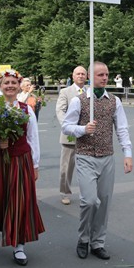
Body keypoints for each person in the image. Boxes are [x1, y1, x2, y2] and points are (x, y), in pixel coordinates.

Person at [63, 62, 133, 260]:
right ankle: (83, 238)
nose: (104, 78)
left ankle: (98, 241)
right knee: (90, 200)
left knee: (104, 202)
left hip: (107, 157)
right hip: (85, 156)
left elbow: (122, 129)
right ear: (90, 77)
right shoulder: (79, 101)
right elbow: (66, 126)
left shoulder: (114, 101)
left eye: (106, 74)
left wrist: (127, 154)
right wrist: (83, 129)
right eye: (100, 74)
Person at [0, 69, 43, 266]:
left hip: (20, 160)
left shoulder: (26, 109)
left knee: (19, 201)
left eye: (13, 83)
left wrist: (35, 164)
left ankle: (19, 245)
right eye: (6, 83)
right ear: (1, 86)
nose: (10, 86)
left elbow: (33, 139)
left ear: (18, 85)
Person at [56, 66, 87, 205]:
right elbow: (60, 111)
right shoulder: (65, 92)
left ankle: (87, 193)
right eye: (78, 74)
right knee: (66, 167)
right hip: (70, 136)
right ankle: (65, 193)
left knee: (88, 167)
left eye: (83, 74)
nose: (80, 76)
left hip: (87, 136)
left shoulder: (90, 92)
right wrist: (69, 127)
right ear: (73, 76)